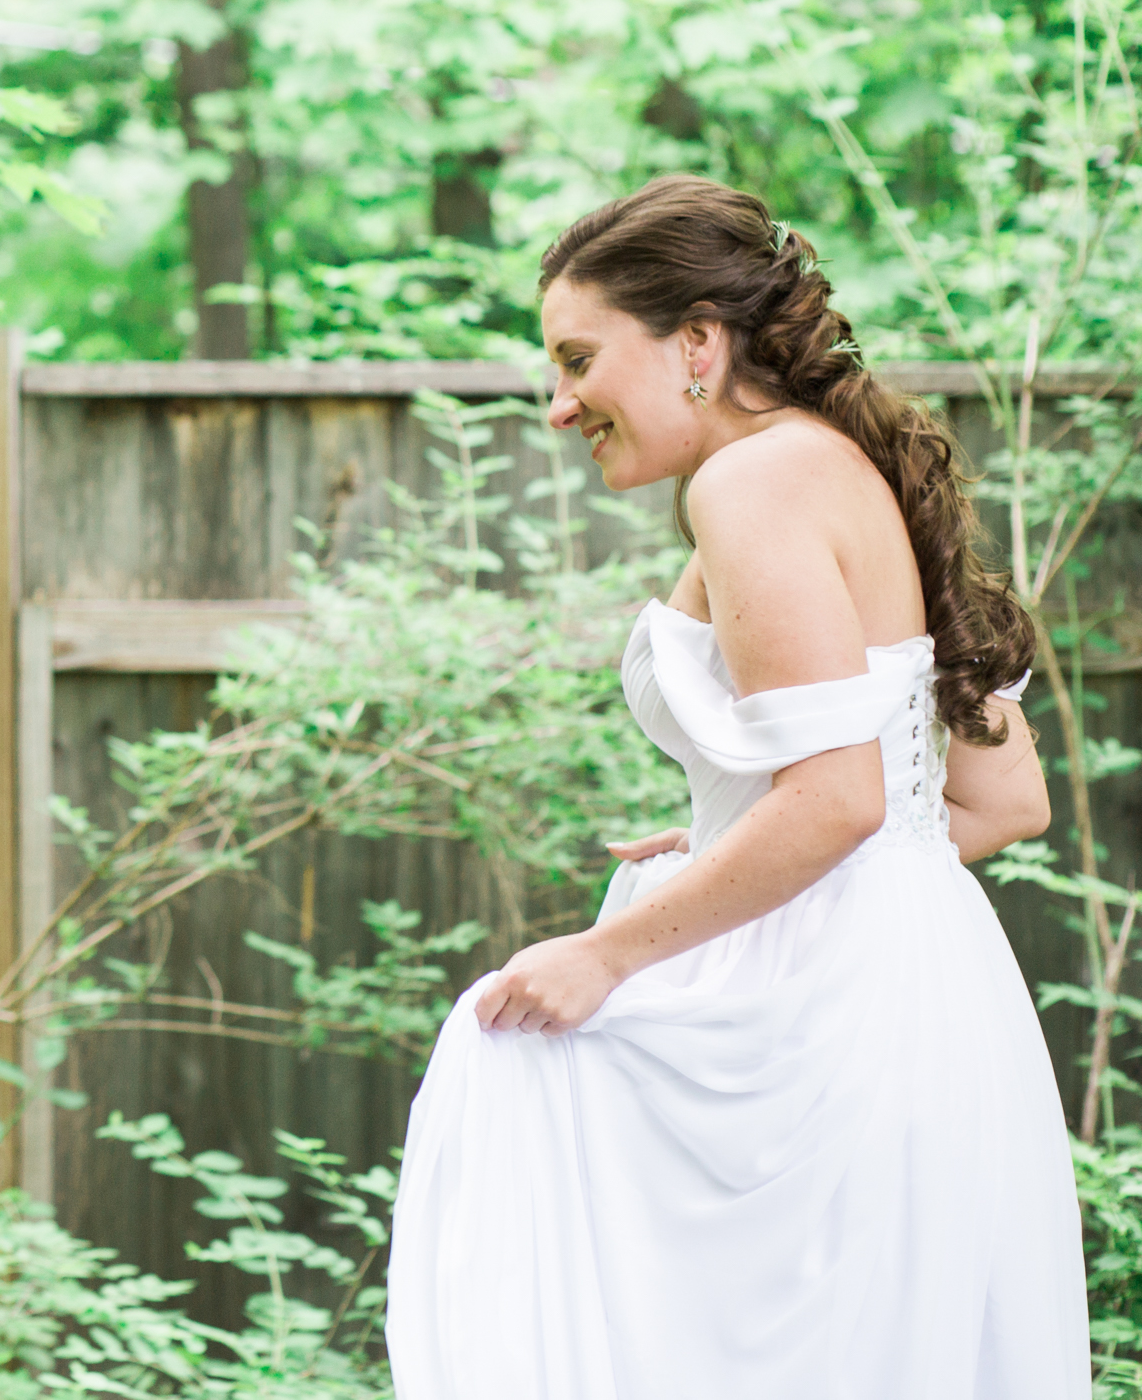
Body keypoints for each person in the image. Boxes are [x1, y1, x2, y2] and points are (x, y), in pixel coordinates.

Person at [385, 175, 1087, 1399]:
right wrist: (731, 845)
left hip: (821, 1024)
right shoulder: (836, 466)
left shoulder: (749, 483)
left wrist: (608, 953)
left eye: (576, 359)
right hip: (925, 999)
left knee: (506, 1053)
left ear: (698, 343)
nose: (558, 405)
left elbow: (840, 802)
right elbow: (986, 801)